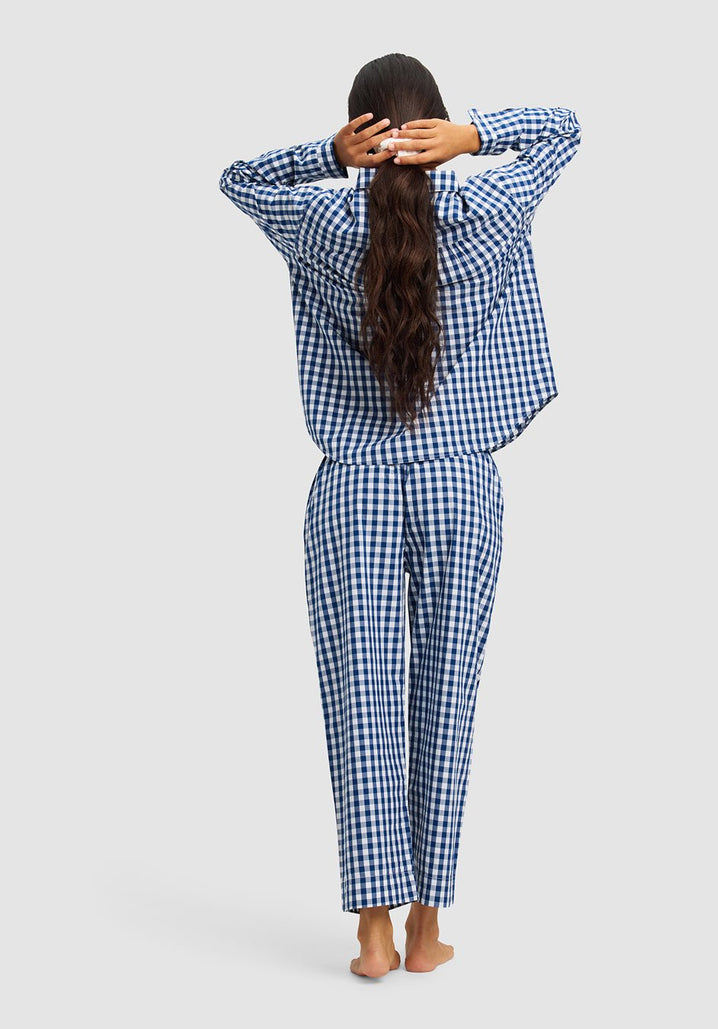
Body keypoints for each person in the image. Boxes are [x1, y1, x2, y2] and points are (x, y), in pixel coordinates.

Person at [219, 52, 581, 978]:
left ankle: (373, 930)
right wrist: (477, 138)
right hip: (463, 484)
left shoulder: (320, 219)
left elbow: (237, 178)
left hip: (353, 488)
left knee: (361, 699)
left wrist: (328, 156)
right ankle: (427, 927)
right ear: (437, 128)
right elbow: (564, 130)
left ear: (360, 132)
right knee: (446, 696)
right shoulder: (491, 212)